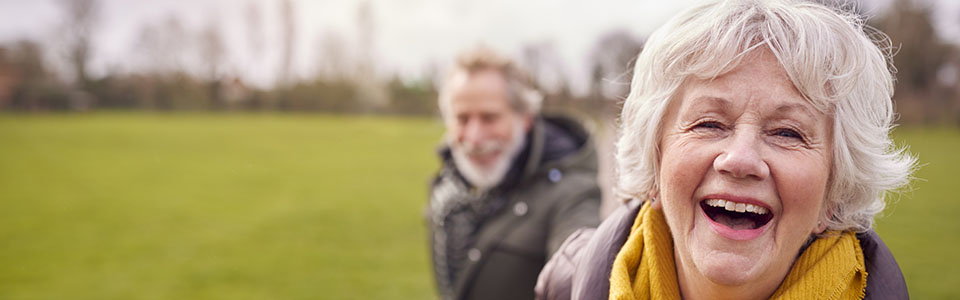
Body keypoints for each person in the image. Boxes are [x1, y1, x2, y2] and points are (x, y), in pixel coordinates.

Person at [535, 0, 916, 299]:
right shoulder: (563, 287)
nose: (740, 160)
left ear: (835, 193)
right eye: (709, 124)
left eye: (787, 133)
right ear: (655, 162)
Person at [426, 47, 602, 300]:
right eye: (462, 119)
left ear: (526, 118)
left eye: (489, 118)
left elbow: (581, 271)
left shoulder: (572, 192)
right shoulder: (448, 186)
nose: (474, 139)